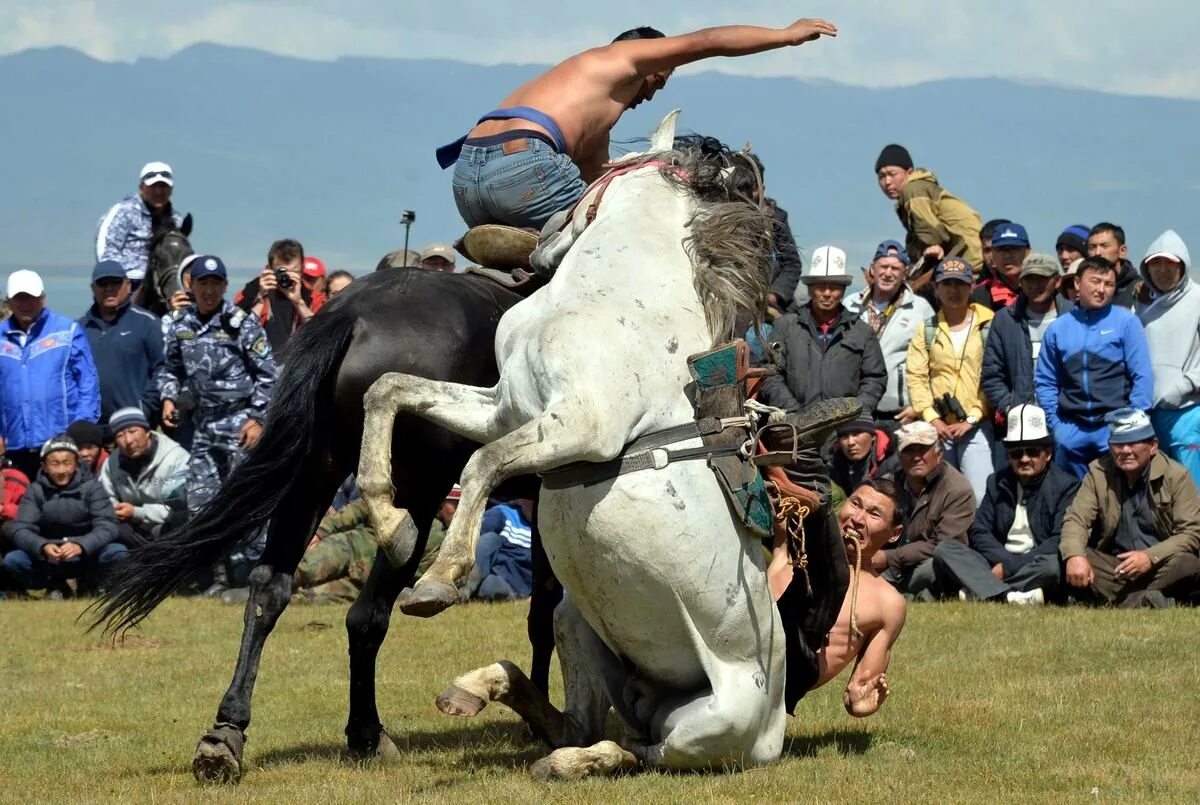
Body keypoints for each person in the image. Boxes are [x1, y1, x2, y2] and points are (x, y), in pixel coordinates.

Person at [440, 18, 838, 230]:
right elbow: (708, 40)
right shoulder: (624, 58)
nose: (650, 95)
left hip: (466, 177)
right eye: (657, 80)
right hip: (525, 163)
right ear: (648, 60)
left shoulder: (588, 112)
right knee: (620, 242)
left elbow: (598, 181)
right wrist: (785, 36)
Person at [160, 255, 274, 594]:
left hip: (241, 426)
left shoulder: (241, 322)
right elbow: (169, 368)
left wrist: (257, 419)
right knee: (200, 504)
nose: (208, 290)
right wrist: (168, 397)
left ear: (225, 286)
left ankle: (259, 576)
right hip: (203, 426)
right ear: (190, 286)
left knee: (247, 501)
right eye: (202, 284)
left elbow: (268, 375)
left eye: (215, 284)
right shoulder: (180, 323)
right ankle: (217, 578)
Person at [933, 404, 1079, 604]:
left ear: (1048, 453)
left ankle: (981, 589)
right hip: (998, 559)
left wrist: (1009, 568)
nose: (1025, 459)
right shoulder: (996, 482)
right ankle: (1008, 596)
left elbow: (1057, 540)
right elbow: (979, 531)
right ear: (1008, 455)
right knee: (946, 549)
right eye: (1016, 453)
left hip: (1036, 562)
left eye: (1033, 451)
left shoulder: (1066, 486)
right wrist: (1006, 562)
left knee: (1053, 566)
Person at [1060, 408, 1200, 607]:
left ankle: (1124, 601)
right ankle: (1146, 600)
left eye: (1133, 443)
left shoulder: (1176, 476)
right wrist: (1075, 556)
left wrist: (1149, 558)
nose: (1125, 451)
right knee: (1067, 555)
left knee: (1188, 563)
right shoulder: (1098, 472)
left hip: (1160, 564)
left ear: (1153, 446)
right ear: (1110, 447)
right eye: (1118, 444)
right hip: (1116, 567)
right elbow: (1076, 519)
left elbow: (1191, 533)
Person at [1035, 256, 1153, 479]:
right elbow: (1045, 381)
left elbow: (1142, 377)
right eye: (1095, 281)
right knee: (1072, 502)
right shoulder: (1059, 328)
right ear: (1078, 284)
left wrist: (1131, 424)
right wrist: (1056, 425)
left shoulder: (1126, 322)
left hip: (1114, 428)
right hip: (1070, 431)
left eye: (1108, 284)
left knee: (1116, 501)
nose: (1102, 290)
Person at [809, 479, 907, 718]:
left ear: (894, 534)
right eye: (855, 504)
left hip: (784, 680)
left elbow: (861, 688)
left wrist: (861, 700)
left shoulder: (887, 603)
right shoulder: (800, 546)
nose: (858, 518)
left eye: (874, 514)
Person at [905, 257, 995, 503]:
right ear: (937, 288)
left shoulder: (989, 325)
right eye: (947, 284)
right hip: (939, 428)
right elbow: (917, 377)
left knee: (980, 495)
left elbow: (993, 375)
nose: (954, 291)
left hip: (976, 426)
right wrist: (931, 417)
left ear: (971, 287)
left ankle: (978, 541)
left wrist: (974, 416)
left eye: (960, 284)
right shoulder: (927, 329)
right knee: (940, 496)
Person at [758, 246, 886, 417]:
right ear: (810, 288)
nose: (827, 293)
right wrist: (793, 413)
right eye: (820, 286)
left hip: (845, 433)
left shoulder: (862, 332)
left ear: (843, 290)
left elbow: (874, 379)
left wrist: (853, 414)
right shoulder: (785, 327)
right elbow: (770, 374)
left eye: (834, 287)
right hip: (794, 430)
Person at [0, 270, 101, 481]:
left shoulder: (68, 331)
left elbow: (87, 384)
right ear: (9, 301)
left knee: (63, 510)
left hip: (60, 444)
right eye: (20, 298)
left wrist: (80, 431)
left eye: (32, 298)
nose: (26, 304)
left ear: (43, 298)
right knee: (17, 510)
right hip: (13, 445)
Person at [3, 435, 124, 596]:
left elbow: (108, 525)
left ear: (76, 465)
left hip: (86, 554)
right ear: (44, 466)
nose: (61, 470)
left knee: (117, 552)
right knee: (14, 560)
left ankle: (91, 582)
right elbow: (21, 529)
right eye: (55, 464)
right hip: (49, 557)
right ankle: (55, 585)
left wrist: (82, 545)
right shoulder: (35, 490)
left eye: (67, 463)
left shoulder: (92, 487)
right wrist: (42, 546)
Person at [877, 421, 975, 597]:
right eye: (909, 450)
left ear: (939, 454)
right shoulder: (888, 484)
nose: (916, 457)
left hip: (926, 563)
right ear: (899, 456)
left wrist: (888, 557)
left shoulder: (957, 489)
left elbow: (945, 545)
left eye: (922, 450)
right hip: (890, 561)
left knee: (937, 563)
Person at [844, 240, 934, 430]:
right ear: (872, 269)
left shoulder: (921, 309)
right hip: (853, 410)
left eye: (895, 268)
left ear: (905, 272)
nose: (888, 273)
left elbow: (935, 362)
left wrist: (920, 405)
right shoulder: (850, 305)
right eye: (883, 266)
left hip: (900, 414)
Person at [1134, 229, 1200, 486]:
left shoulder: (1198, 299)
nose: (1162, 270)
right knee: (1156, 493)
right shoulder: (1140, 304)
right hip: (1148, 415)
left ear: (1182, 265)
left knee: (1191, 493)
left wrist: (1184, 385)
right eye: (1156, 263)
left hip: (1189, 413)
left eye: (1170, 263)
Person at [982, 253, 1072, 422]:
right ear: (1021, 283)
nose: (1035, 285)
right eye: (1029, 279)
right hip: (1023, 425)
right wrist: (1011, 408)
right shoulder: (1005, 320)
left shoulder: (1075, 317)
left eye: (1042, 278)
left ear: (1058, 281)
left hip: (1068, 420)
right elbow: (992, 375)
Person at [874, 144, 983, 280]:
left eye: (892, 174)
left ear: (909, 172)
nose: (887, 182)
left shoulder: (913, 190)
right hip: (969, 255)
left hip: (968, 259)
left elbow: (930, 232)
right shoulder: (920, 189)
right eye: (881, 176)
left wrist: (929, 247)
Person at [79, 260, 164, 423]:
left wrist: (145, 408)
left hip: (134, 427)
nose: (109, 289)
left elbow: (163, 369)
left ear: (128, 285)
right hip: (92, 431)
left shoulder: (148, 323)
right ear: (93, 288)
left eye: (115, 283)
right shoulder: (79, 328)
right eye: (103, 284)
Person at [100, 407, 190, 548]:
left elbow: (181, 509)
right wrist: (115, 510)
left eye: (133, 431)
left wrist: (137, 513)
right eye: (120, 435)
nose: (128, 440)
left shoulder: (176, 458)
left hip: (167, 528)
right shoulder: (111, 463)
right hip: (131, 530)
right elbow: (105, 497)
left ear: (147, 432)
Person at [95, 161, 185, 284]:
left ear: (171, 190)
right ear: (141, 188)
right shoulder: (123, 212)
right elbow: (106, 249)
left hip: (163, 283)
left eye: (163, 186)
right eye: (153, 186)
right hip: (126, 283)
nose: (158, 191)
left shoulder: (176, 220)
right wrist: (116, 281)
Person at [237, 239, 320, 353]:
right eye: (282, 272)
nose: (287, 277)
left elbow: (320, 334)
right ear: (268, 269)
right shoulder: (250, 293)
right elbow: (236, 331)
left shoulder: (313, 298)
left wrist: (299, 302)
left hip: (296, 363)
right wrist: (260, 298)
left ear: (302, 270)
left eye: (293, 271)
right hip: (258, 361)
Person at [466, 499, 535, 601]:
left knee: (490, 587)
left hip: (516, 588)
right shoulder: (503, 514)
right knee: (489, 539)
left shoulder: (551, 528)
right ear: (520, 500)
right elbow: (471, 540)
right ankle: (465, 588)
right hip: (492, 574)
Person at [830, 414, 898, 502]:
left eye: (856, 434)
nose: (850, 442)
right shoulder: (835, 465)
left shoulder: (894, 464)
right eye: (844, 436)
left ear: (873, 436)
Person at [970, 222, 1028, 311]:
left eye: (1014, 248)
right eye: (1000, 249)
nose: (1007, 255)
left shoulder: (1044, 287)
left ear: (1028, 251)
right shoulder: (979, 295)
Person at [1086, 222, 1139, 308]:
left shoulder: (1139, 290)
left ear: (1122, 251)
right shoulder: (1083, 290)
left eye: (1104, 246)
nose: (1097, 253)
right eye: (1092, 247)